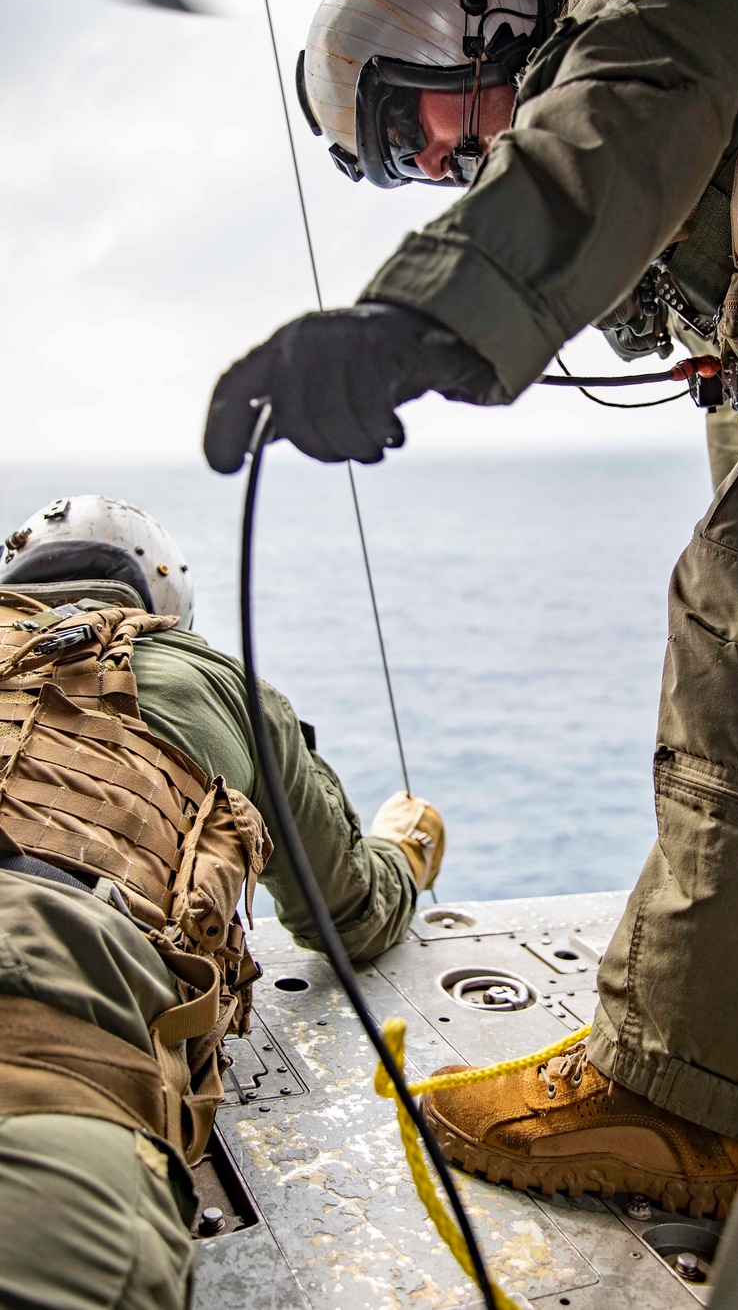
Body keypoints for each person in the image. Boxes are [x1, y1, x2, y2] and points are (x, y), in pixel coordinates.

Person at [205, 0, 738, 1218]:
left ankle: (679, 1103)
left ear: (471, 17)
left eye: (421, 120)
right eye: (409, 162)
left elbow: (619, 123)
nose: (445, 159)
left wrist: (414, 326)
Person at [0, 493, 444, 1308]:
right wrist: (408, 852)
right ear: (162, 600)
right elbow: (347, 914)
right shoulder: (215, 682)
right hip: (56, 1034)